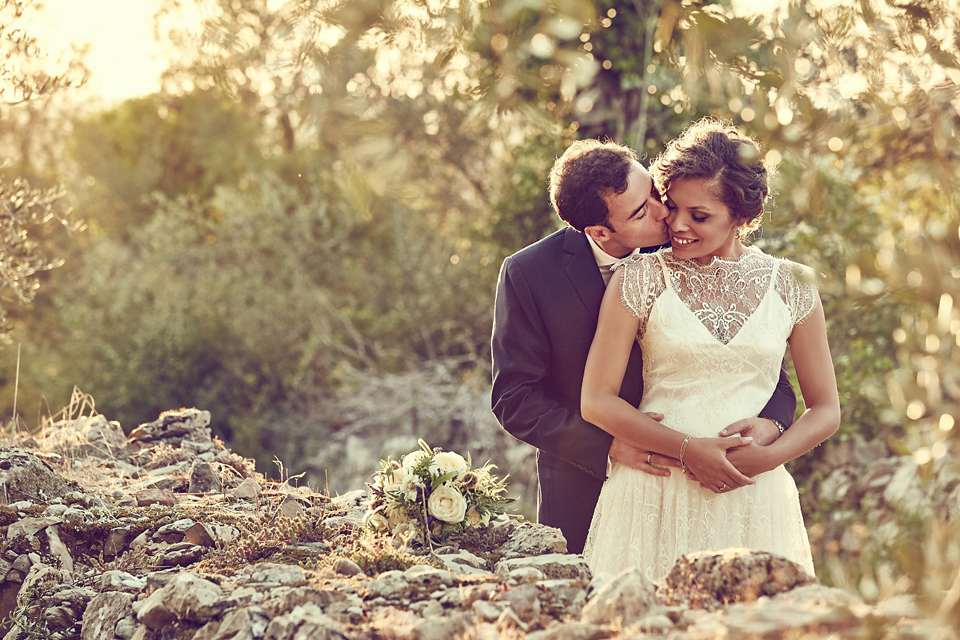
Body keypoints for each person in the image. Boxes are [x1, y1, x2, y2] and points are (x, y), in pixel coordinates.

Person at [491, 138, 798, 554]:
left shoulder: (688, 244)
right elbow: (515, 397)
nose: (663, 213)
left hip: (706, 481)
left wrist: (774, 424)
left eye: (654, 192)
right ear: (600, 231)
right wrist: (609, 445)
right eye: (641, 211)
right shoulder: (529, 273)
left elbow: (758, 364)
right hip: (583, 482)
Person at [581, 118, 841, 579]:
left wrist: (771, 456)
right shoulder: (639, 277)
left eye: (699, 216)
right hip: (652, 492)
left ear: (740, 216)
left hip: (752, 494)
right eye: (673, 207)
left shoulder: (794, 285)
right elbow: (595, 401)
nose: (677, 225)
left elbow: (825, 409)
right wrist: (686, 448)